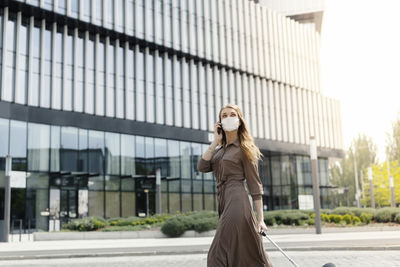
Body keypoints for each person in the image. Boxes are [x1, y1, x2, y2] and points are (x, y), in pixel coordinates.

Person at [197, 104, 274, 267]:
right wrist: (215, 142)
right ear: (219, 123)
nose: (228, 118)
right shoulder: (218, 151)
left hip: (237, 199)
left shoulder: (245, 149)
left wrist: (261, 219)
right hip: (224, 200)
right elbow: (202, 167)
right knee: (243, 253)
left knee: (216, 255)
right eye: (223, 116)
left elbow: (255, 186)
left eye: (232, 115)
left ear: (239, 121)